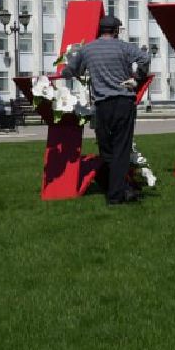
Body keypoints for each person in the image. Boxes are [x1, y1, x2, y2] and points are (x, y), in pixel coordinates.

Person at [61, 14, 151, 206]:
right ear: (116, 30)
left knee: (106, 149)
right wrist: (137, 77)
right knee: (121, 148)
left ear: (100, 31)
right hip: (124, 102)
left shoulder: (87, 49)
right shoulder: (124, 47)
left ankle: (120, 189)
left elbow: (70, 71)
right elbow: (145, 58)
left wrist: (73, 72)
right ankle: (118, 194)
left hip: (102, 105)